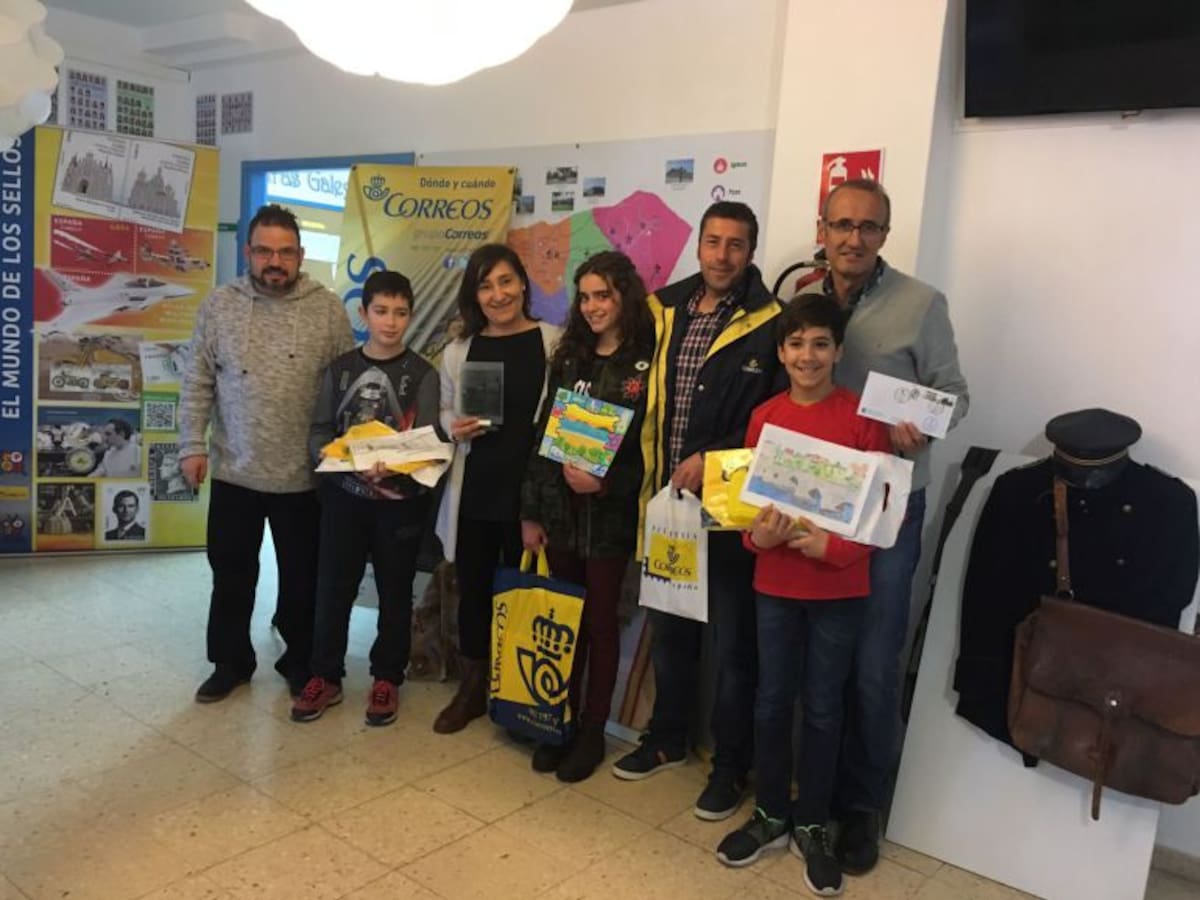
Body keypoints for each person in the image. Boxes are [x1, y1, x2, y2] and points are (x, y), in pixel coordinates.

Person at [800, 178, 970, 873]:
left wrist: (922, 429)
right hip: (819, 499)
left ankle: (863, 806)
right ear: (822, 229)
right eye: (841, 225)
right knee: (821, 657)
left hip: (889, 507)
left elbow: (955, 397)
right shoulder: (804, 297)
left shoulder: (921, 303)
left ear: (885, 235)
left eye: (868, 227)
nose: (853, 238)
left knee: (874, 664)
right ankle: (813, 791)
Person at [611, 201, 783, 823]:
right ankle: (667, 739)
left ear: (751, 251)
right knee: (671, 632)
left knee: (734, 648)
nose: (722, 255)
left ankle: (730, 766)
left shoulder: (770, 322)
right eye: (713, 241)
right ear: (700, 245)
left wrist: (713, 460)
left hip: (730, 511)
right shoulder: (662, 308)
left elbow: (771, 425)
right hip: (667, 508)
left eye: (736, 244)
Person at [715, 295, 891, 895]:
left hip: (839, 589)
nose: (807, 356)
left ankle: (812, 822)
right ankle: (770, 813)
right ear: (781, 352)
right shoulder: (765, 417)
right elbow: (748, 512)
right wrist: (758, 540)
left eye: (820, 344)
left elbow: (878, 515)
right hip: (775, 585)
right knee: (770, 700)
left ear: (838, 351)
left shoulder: (862, 420)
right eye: (795, 344)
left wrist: (833, 549)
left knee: (822, 706)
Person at [180, 203, 355, 703]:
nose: (274, 261)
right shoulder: (220, 306)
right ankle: (230, 663)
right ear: (248, 252)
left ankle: (301, 661)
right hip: (235, 467)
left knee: (302, 578)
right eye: (264, 251)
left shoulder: (328, 310)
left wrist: (342, 457)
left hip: (304, 475)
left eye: (285, 252)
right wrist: (191, 445)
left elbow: (346, 386)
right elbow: (197, 379)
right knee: (231, 575)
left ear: (300, 255)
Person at [519, 251, 654, 781]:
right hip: (560, 515)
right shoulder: (569, 356)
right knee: (564, 622)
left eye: (604, 296)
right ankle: (560, 721)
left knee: (600, 624)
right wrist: (531, 512)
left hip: (608, 521)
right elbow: (542, 437)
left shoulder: (646, 363)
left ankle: (593, 731)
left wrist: (606, 483)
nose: (593, 306)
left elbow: (649, 451)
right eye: (586, 297)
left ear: (625, 298)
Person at [291, 270, 440, 727]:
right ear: (363, 313)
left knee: (396, 591)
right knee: (333, 587)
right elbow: (319, 431)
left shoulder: (424, 375)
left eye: (400, 313)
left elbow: (428, 441)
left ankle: (387, 677)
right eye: (381, 311)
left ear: (410, 316)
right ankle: (325, 675)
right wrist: (336, 458)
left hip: (400, 502)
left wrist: (397, 464)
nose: (390, 322)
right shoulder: (340, 371)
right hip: (345, 498)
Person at [432, 244, 561, 734]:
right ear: (475, 295)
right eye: (485, 286)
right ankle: (472, 689)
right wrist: (453, 425)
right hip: (476, 492)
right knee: (474, 592)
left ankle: (521, 693)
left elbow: (559, 418)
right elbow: (444, 409)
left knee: (524, 594)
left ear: (523, 283)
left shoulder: (553, 342)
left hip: (529, 495)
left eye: (506, 281)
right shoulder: (459, 350)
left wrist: (539, 505)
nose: (498, 294)